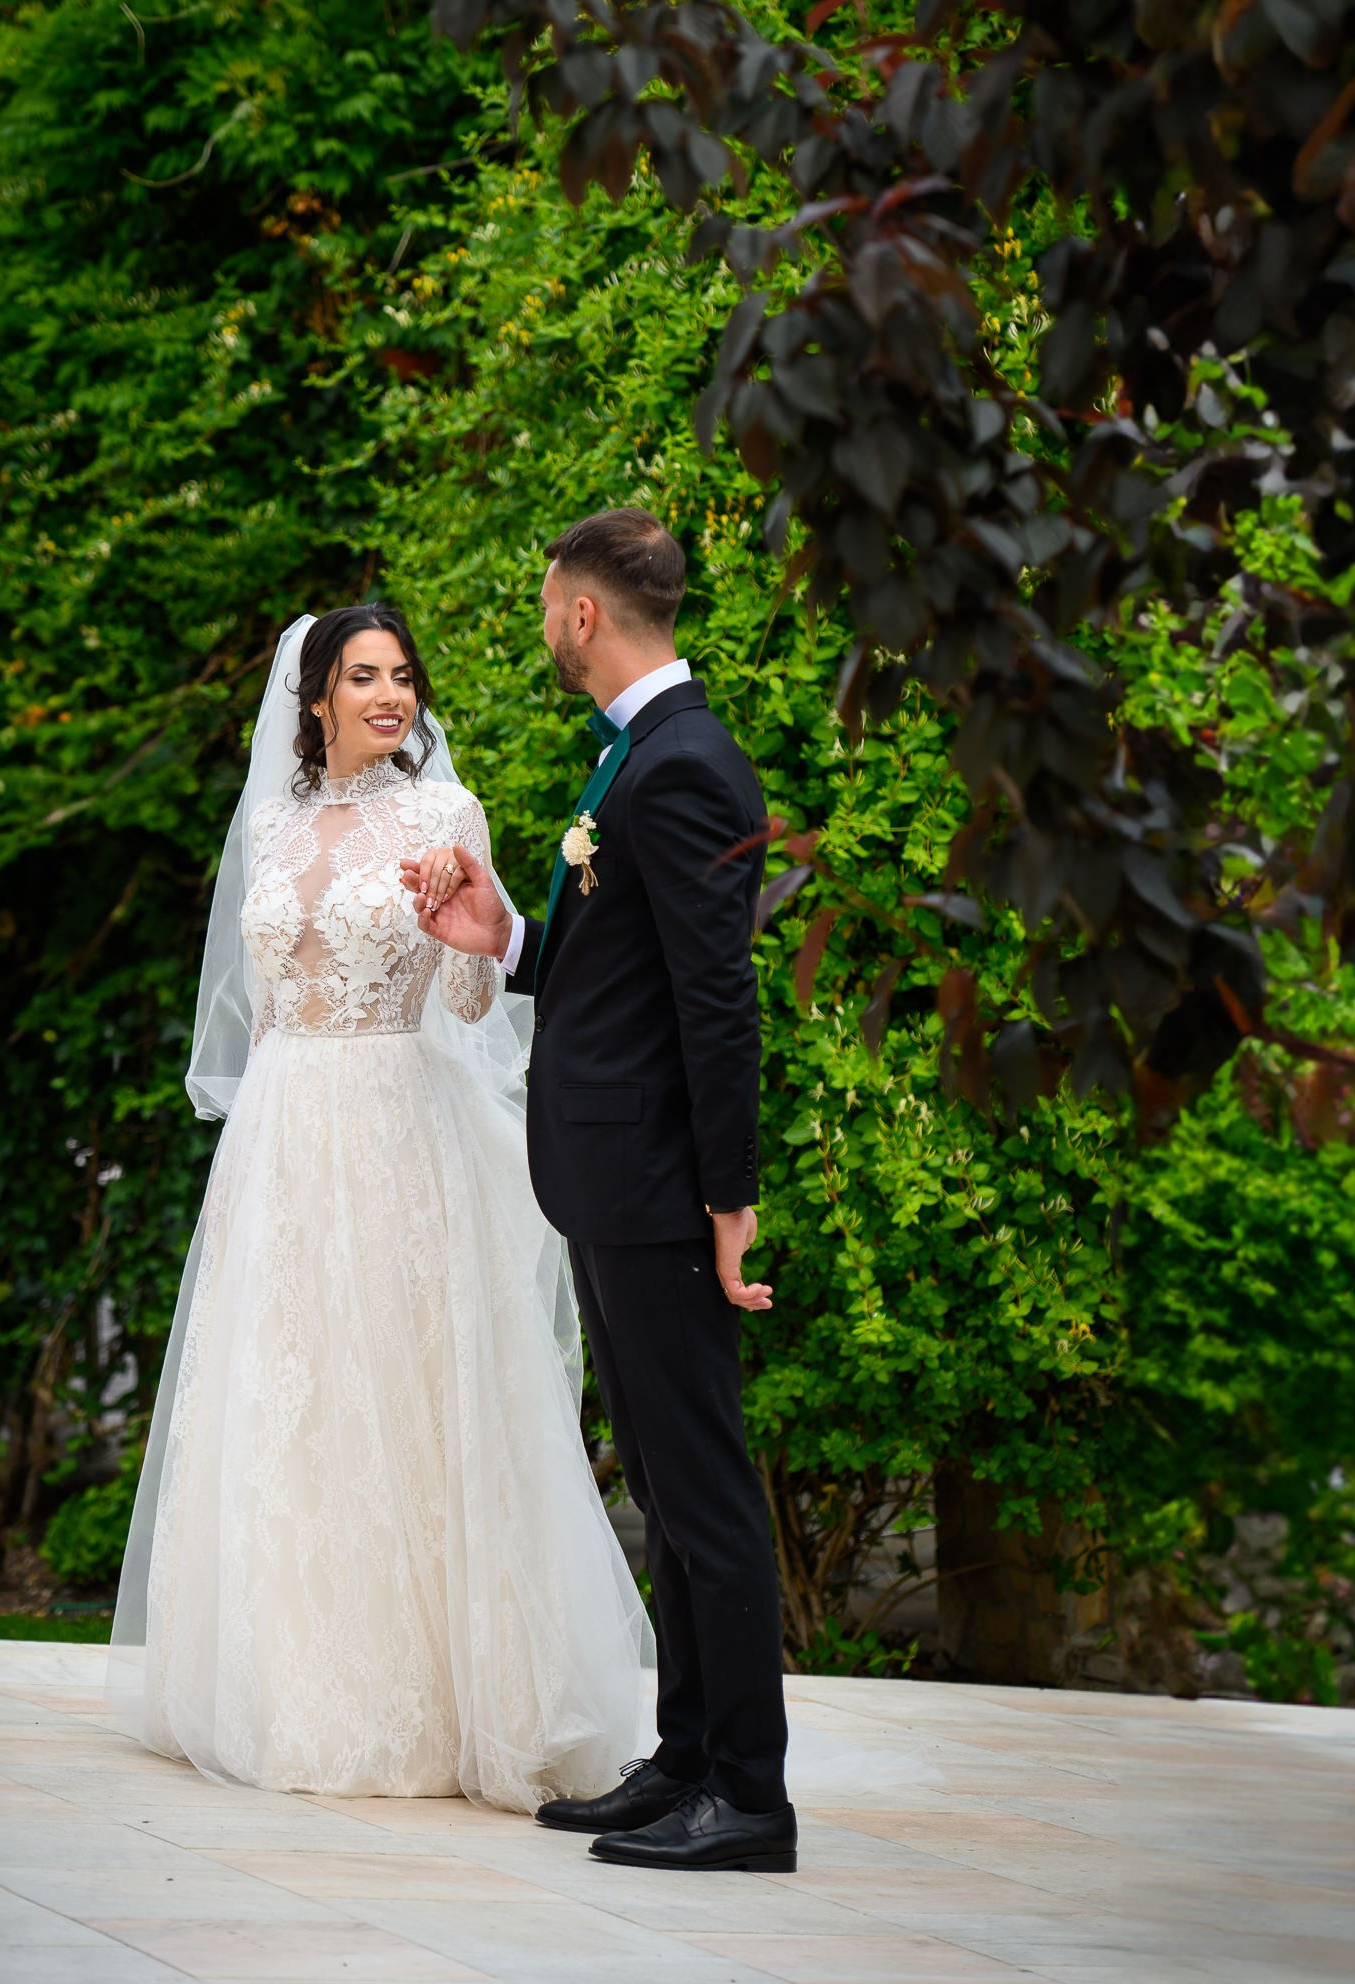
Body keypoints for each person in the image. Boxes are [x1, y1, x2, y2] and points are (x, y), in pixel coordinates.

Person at [108, 603, 650, 1807]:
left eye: (401, 677)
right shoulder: (268, 814)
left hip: (397, 1117)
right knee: (285, 1400)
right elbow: (253, 997)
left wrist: (463, 922)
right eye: (362, 679)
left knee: (399, 1396)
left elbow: (473, 1000)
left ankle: (436, 1699)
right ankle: (275, 1681)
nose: (388, 698)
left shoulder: (444, 814)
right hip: (282, 1130)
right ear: (314, 699)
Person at [407, 507, 795, 1875]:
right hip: (611, 1176)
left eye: (545, 600)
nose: (542, 619)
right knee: (672, 1493)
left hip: (655, 1186)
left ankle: (748, 1795)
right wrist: (504, 935)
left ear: (582, 611)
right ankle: (685, 1757)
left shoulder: (681, 766)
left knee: (705, 1494)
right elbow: (626, 975)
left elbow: (718, 1003)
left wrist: (727, 1193)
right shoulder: (640, 759)